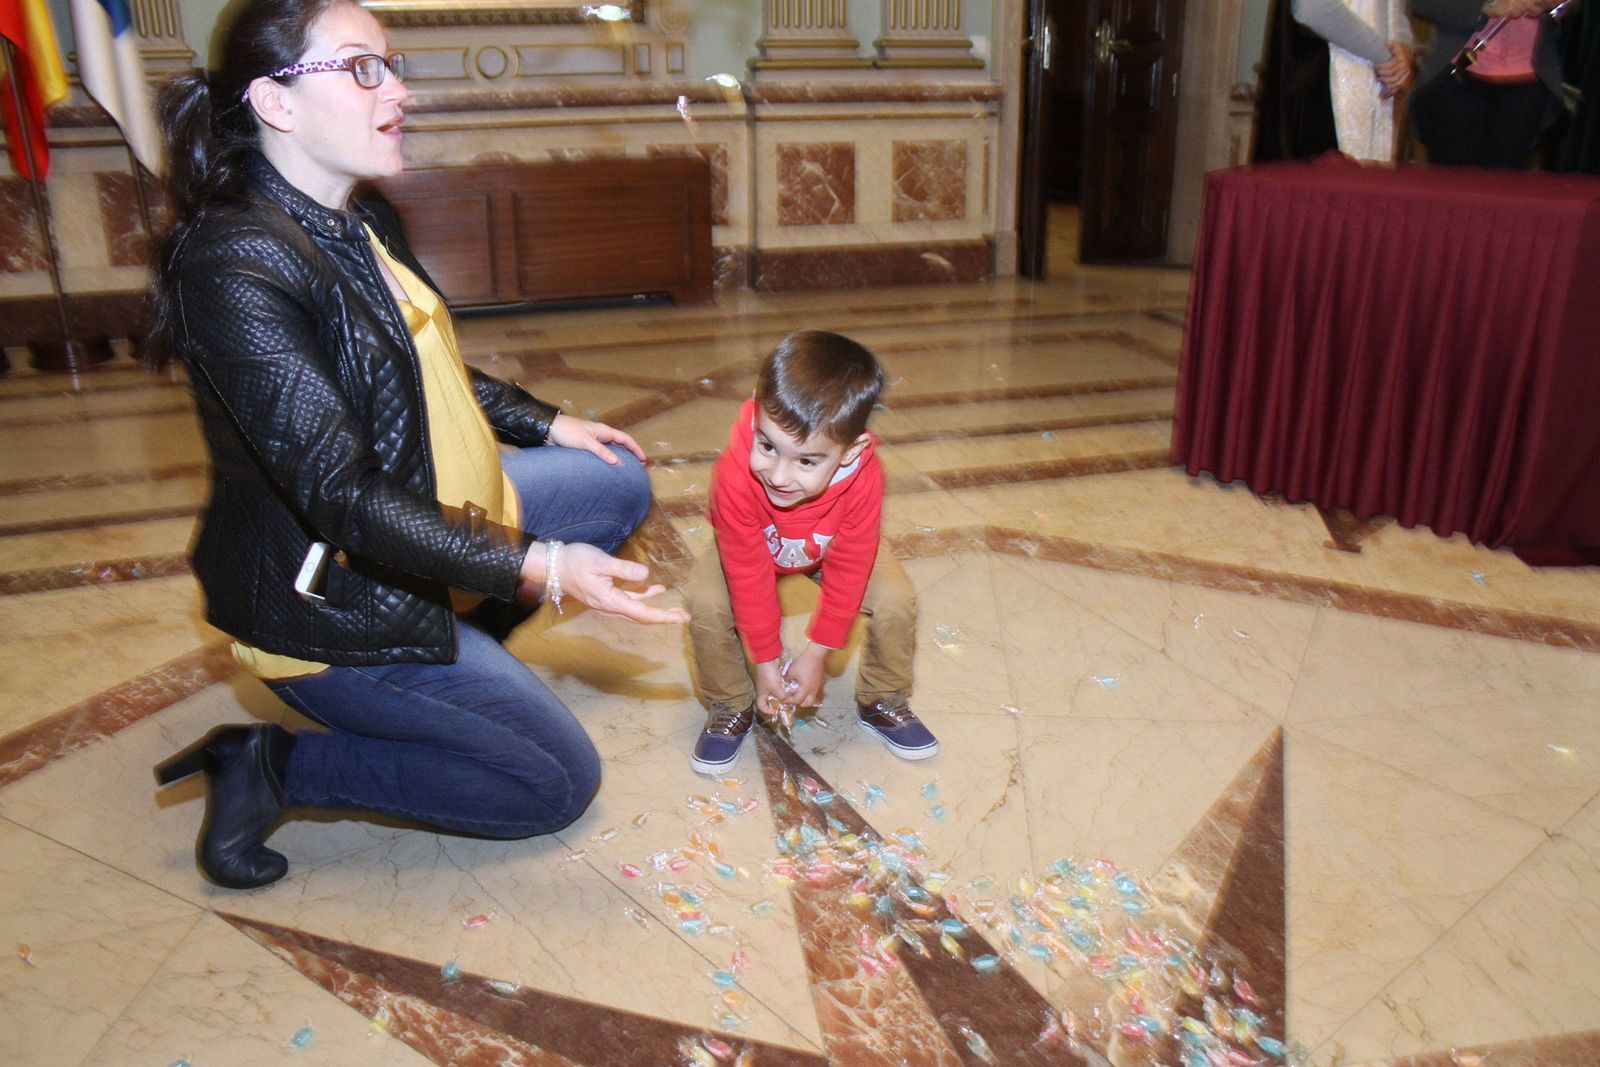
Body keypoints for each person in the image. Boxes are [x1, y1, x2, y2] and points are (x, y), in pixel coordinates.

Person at [147, 0, 688, 890]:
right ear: (277, 104)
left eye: (391, 65)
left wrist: (545, 422)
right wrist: (541, 564)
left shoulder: (361, 214)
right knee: (555, 783)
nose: (397, 89)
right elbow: (342, 497)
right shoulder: (235, 265)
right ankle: (278, 766)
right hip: (339, 599)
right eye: (363, 68)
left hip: (438, 516)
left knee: (615, 479)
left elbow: (418, 365)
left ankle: (464, 662)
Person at [684, 330, 937, 775]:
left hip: (829, 547)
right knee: (705, 603)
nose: (779, 475)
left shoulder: (865, 477)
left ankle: (882, 700)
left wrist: (818, 652)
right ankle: (730, 705)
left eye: (806, 461)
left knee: (896, 599)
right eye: (767, 447)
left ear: (850, 451)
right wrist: (765, 661)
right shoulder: (735, 475)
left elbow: (851, 566)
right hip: (750, 545)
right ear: (757, 411)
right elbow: (747, 573)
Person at [1410, 0, 1567, 166]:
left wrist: (1554, 3)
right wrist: (1488, 5)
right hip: (1458, 74)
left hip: (1529, 80)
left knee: (1505, 183)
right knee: (1454, 180)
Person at [1256, 0, 1415, 162]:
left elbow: (1393, 8)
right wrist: (1386, 57)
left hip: (1374, 89)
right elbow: (1311, 8)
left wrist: (1403, 47)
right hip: (1320, 85)